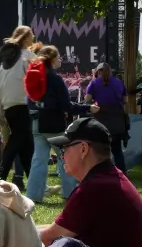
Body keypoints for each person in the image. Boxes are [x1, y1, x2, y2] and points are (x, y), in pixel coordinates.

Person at [39, 117, 142, 247]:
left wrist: (7, 234)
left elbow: (48, 238)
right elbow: (56, 231)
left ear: (83, 149)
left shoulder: (95, 188)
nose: (61, 155)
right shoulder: (109, 179)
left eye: (65, 148)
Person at [25, 45, 99, 203]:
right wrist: (88, 108)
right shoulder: (55, 79)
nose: (60, 60)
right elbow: (67, 106)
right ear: (51, 59)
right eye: (58, 57)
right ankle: (70, 192)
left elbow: (29, 101)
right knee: (65, 157)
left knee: (38, 160)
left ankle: (33, 195)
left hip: (37, 123)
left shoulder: (34, 76)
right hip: (54, 125)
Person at [0, 26, 36, 184]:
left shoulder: (4, 64)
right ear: (26, 38)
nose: (33, 38)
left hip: (8, 106)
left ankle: (34, 181)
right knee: (17, 140)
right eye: (31, 35)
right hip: (23, 104)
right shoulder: (28, 56)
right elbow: (36, 81)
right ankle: (0, 176)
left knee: (26, 146)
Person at [85, 63, 128, 173]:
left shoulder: (93, 83)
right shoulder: (119, 83)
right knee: (117, 150)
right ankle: (122, 174)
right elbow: (125, 100)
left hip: (101, 119)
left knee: (99, 149)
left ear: (98, 72)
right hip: (117, 119)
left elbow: (87, 99)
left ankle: (102, 173)